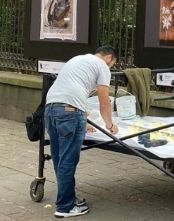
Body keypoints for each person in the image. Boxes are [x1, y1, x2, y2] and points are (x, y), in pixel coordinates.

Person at [44, 46, 119, 218]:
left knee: (60, 158)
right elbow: (104, 100)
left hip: (51, 109)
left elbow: (72, 90)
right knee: (68, 160)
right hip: (70, 112)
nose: (110, 68)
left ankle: (69, 198)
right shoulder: (101, 66)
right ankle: (64, 207)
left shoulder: (77, 59)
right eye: (112, 65)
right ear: (109, 58)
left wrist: (83, 121)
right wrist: (109, 124)